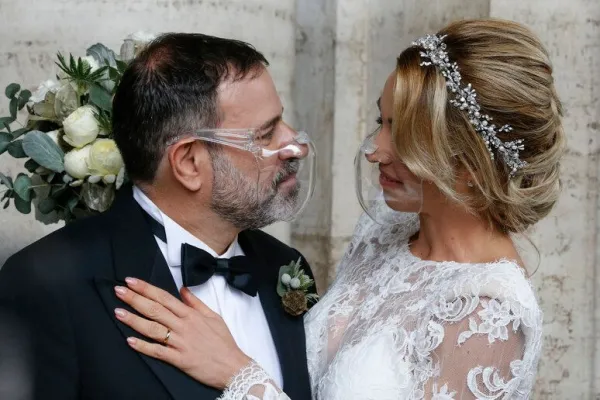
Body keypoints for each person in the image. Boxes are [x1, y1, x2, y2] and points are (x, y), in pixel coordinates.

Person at [113, 19, 565, 399]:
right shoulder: (385, 228)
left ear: (467, 163)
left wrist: (240, 375)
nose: (374, 150)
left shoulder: (491, 314)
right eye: (381, 121)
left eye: (401, 134)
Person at [0, 33, 317, 399]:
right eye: (265, 134)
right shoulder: (47, 287)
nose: (296, 145)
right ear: (188, 162)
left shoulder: (284, 266)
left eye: (282, 121)